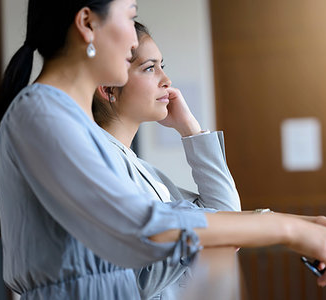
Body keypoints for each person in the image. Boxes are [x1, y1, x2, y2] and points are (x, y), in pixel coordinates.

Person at [0, 0, 326, 299]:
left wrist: (298, 225)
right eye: (130, 16)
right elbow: (141, 228)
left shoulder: (70, 127)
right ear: (87, 23)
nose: (131, 41)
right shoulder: (41, 113)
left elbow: (204, 217)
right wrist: (284, 228)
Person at [92, 22, 241, 299]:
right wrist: (203, 237)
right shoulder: (99, 162)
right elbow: (135, 278)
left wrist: (191, 130)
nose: (166, 80)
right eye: (150, 68)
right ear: (108, 87)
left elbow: (224, 214)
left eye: (162, 66)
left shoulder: (141, 169)